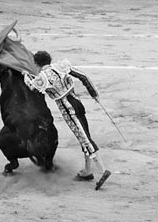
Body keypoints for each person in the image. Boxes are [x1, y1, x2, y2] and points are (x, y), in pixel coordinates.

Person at [22, 51, 112, 191]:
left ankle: (102, 170)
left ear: (37, 64)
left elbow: (32, 87)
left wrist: (26, 75)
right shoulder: (61, 66)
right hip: (77, 103)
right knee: (85, 137)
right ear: (49, 60)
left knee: (85, 139)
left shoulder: (42, 77)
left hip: (68, 110)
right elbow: (84, 77)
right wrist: (94, 94)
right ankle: (87, 171)